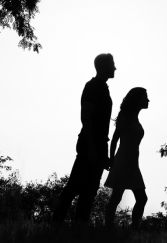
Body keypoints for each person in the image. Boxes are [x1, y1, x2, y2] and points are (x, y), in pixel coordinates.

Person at [52, 53, 116, 225]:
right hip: (90, 145)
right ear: (103, 67)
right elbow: (85, 118)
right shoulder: (93, 86)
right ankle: (55, 225)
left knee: (90, 192)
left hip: (99, 145)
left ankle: (79, 229)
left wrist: (102, 152)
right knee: (73, 188)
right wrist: (92, 147)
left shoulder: (103, 87)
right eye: (112, 65)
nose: (115, 68)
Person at [104, 87, 149, 231]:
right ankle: (109, 230)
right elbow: (115, 139)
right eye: (144, 97)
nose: (147, 100)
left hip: (132, 164)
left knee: (141, 198)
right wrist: (112, 160)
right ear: (137, 99)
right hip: (123, 162)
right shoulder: (126, 116)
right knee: (117, 198)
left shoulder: (134, 117)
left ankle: (133, 230)